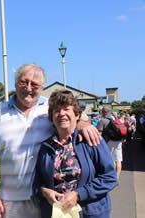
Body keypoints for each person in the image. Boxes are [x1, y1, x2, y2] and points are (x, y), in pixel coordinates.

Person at [0, 63, 100, 218]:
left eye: (34, 84)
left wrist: (82, 124)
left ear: (42, 87)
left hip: (47, 200)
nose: (28, 88)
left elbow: (69, 120)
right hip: (10, 202)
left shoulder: (49, 109)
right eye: (24, 82)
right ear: (16, 84)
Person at [33, 90, 117, 218]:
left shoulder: (91, 140)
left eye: (66, 109)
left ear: (77, 115)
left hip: (89, 213)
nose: (61, 114)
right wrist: (45, 191)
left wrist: (79, 194)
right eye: (56, 111)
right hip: (57, 214)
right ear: (52, 116)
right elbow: (36, 183)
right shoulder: (46, 146)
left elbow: (109, 177)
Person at [97, 107, 122, 180]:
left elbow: (99, 133)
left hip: (109, 141)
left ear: (104, 112)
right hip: (118, 141)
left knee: (111, 159)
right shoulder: (116, 119)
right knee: (118, 159)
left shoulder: (103, 120)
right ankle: (117, 178)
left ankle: (111, 177)